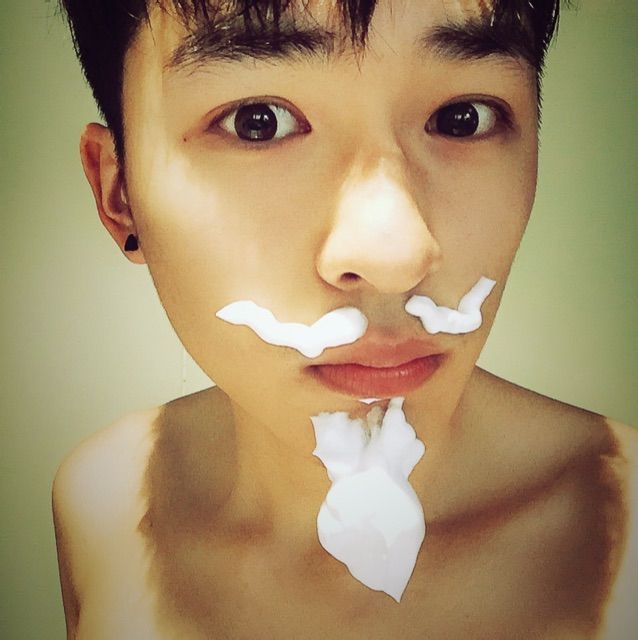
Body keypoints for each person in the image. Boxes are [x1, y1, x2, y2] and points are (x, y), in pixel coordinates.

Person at [52, 0, 637, 638]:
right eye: (257, 123)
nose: (396, 255)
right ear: (118, 193)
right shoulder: (102, 500)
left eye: (462, 118)